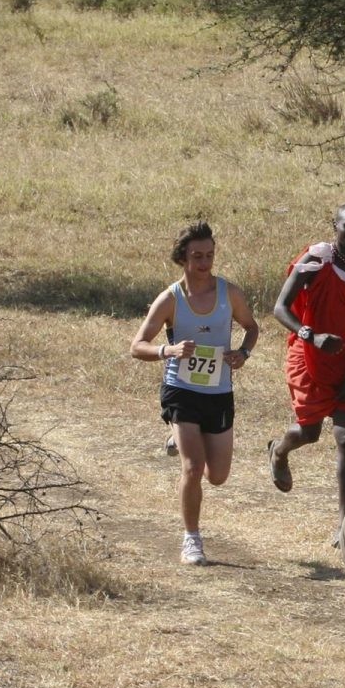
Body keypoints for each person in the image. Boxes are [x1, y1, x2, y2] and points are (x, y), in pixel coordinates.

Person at [131, 221, 260, 566]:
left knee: (217, 476)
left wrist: (243, 353)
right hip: (181, 389)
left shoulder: (229, 294)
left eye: (209, 255)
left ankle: (179, 438)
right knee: (193, 467)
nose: (205, 263)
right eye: (197, 256)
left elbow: (251, 327)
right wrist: (167, 351)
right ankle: (192, 539)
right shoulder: (170, 299)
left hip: (219, 392)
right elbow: (137, 345)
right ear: (182, 258)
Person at [268, 202, 345, 530]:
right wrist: (311, 335)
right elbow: (280, 308)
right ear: (335, 226)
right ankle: (279, 451)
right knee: (309, 432)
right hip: (309, 354)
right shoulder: (317, 258)